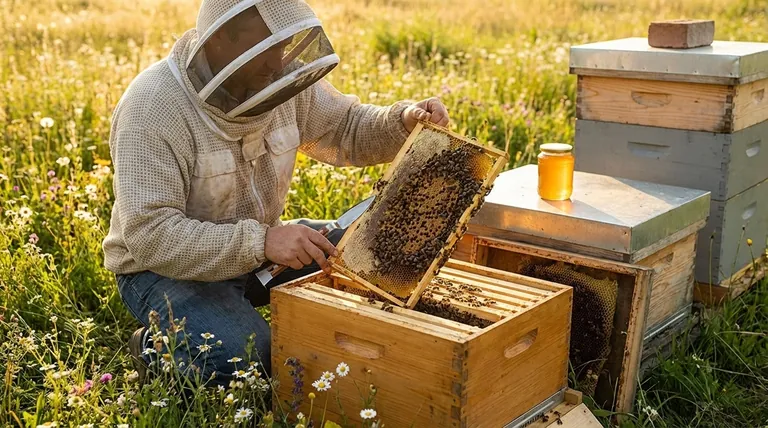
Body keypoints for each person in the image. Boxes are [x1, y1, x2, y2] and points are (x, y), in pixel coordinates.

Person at [102, 0, 449, 386]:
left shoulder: (277, 79)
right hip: (162, 272)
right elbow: (151, 234)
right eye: (265, 50)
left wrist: (401, 121)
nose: (278, 63)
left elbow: (346, 127)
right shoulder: (152, 107)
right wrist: (263, 241)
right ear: (220, 43)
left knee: (380, 249)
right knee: (253, 359)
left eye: (282, 47)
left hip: (259, 255)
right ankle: (155, 346)